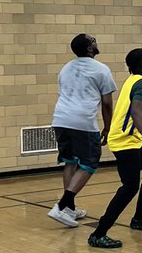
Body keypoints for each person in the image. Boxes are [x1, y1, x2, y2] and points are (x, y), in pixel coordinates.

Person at [88, 49, 142, 248]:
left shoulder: (133, 81)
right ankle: (98, 233)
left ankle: (139, 217)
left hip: (131, 139)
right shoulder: (141, 84)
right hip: (125, 141)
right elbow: (136, 113)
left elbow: (135, 110)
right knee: (130, 187)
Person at [48, 33, 116, 227]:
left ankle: (69, 209)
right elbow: (107, 103)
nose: (96, 41)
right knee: (90, 162)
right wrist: (108, 127)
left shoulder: (66, 68)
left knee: (70, 161)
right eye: (93, 40)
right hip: (82, 122)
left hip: (60, 119)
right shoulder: (101, 69)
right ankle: (62, 206)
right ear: (89, 48)